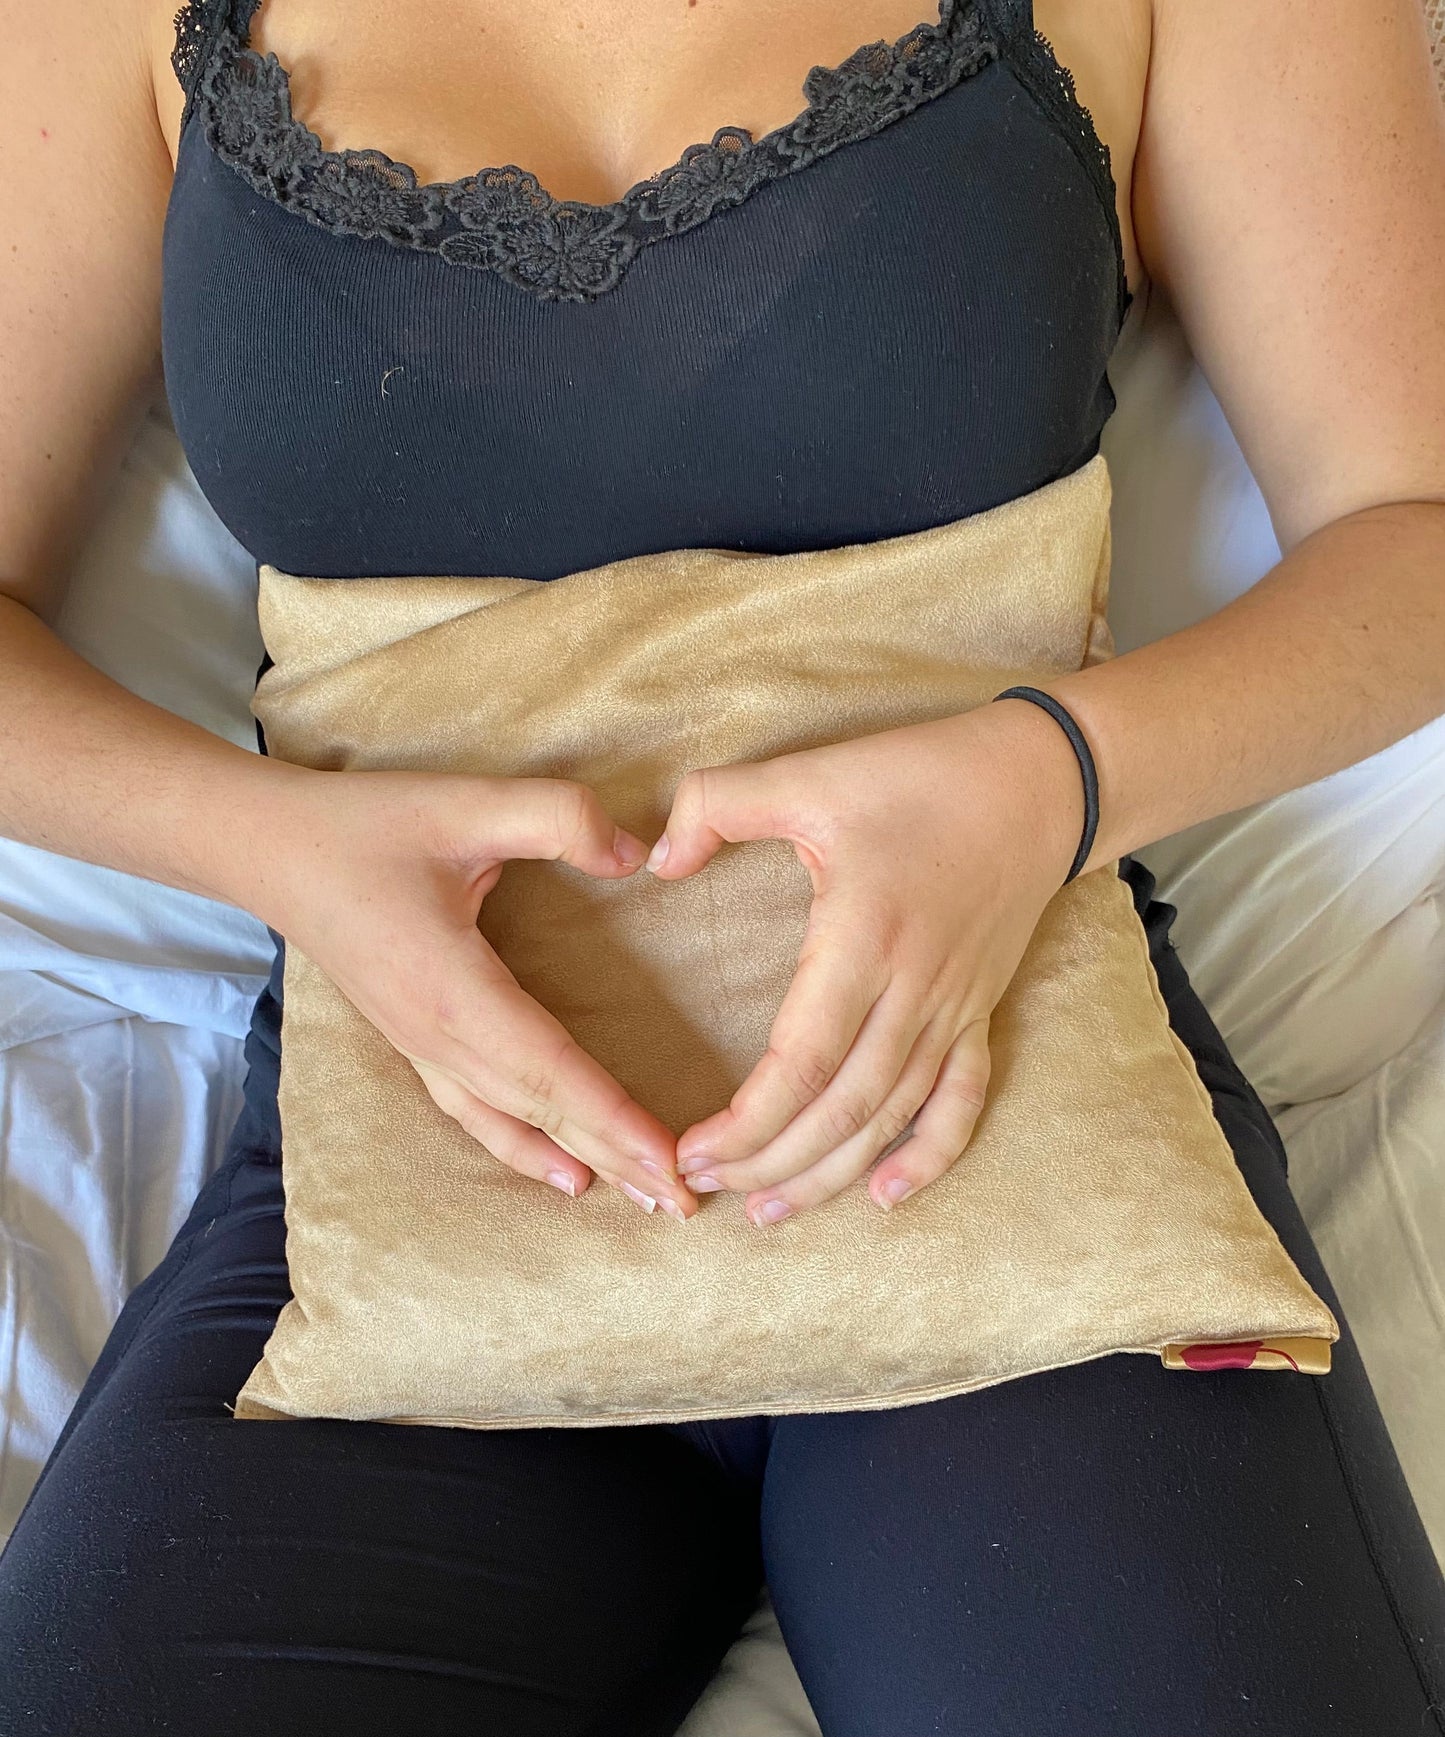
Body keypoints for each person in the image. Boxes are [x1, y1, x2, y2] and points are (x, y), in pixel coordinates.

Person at [1, 0, 1443, 1729]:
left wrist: (1045, 778)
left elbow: (1411, 530)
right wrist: (281, 849)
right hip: (422, 1174)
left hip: (1006, 1128)